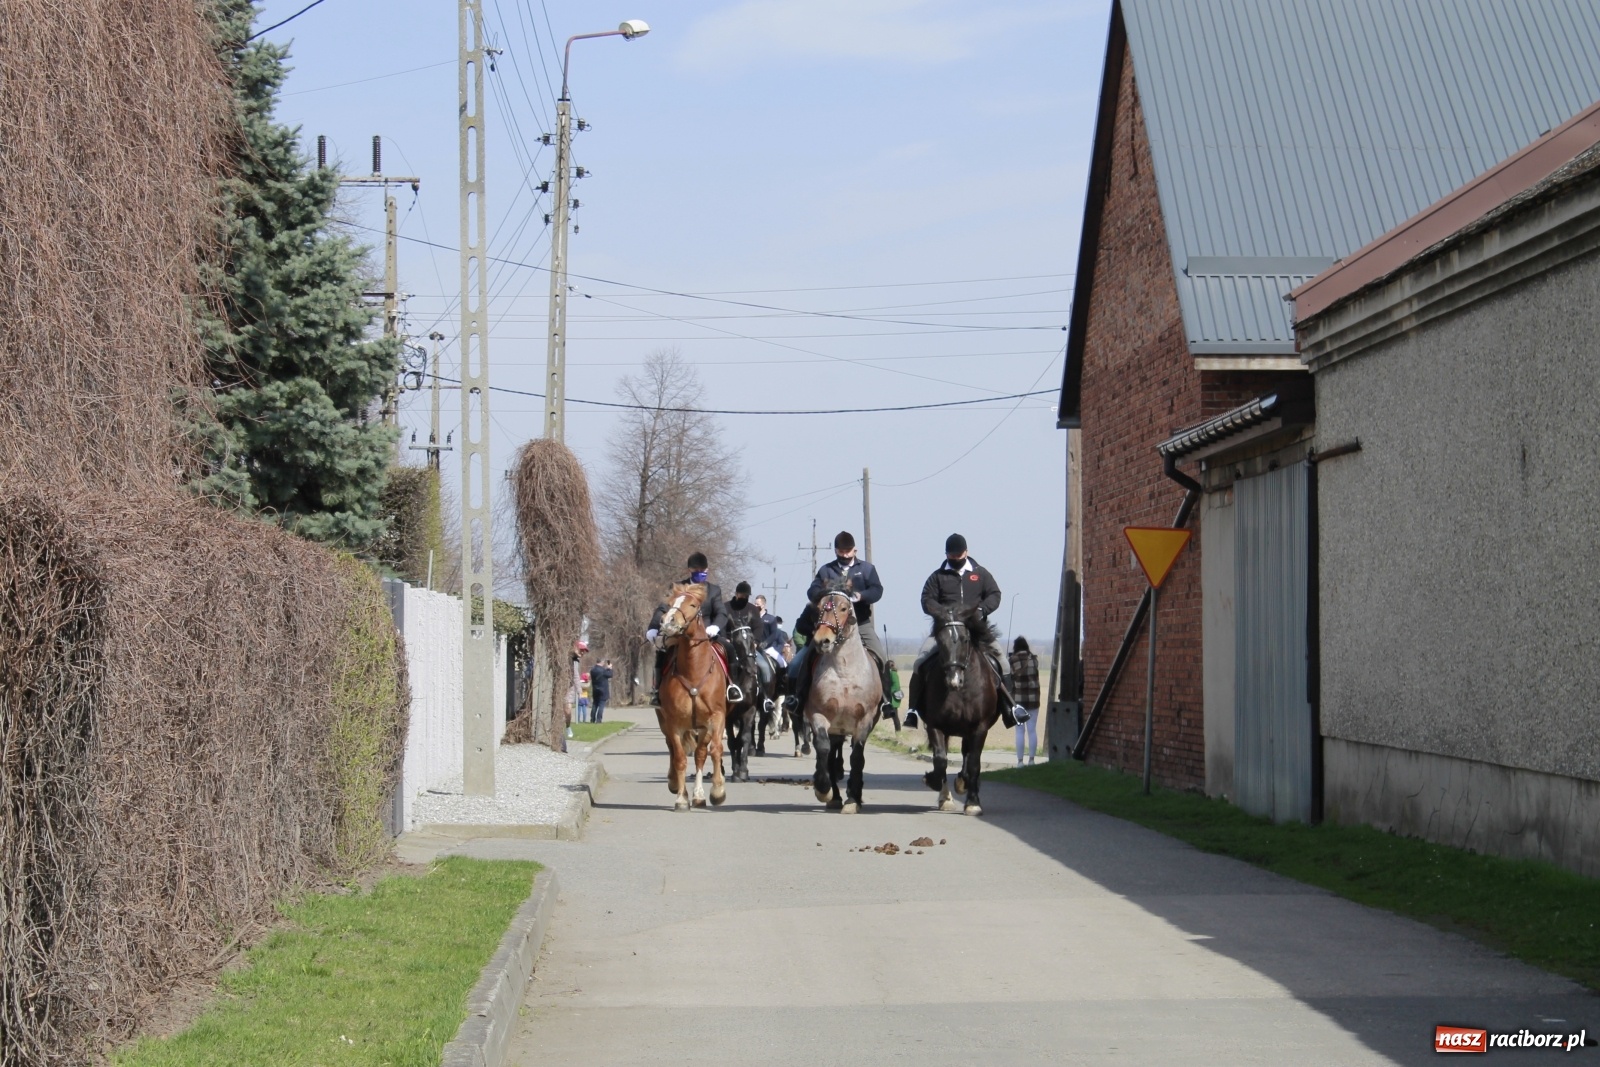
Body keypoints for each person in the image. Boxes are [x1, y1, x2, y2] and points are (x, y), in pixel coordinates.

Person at [910, 533, 1020, 727]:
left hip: (977, 631)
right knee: (919, 663)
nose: (955, 559)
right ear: (946, 554)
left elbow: (995, 594)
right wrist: (941, 613)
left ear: (966, 552)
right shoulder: (937, 577)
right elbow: (926, 599)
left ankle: (1010, 709)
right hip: (945, 630)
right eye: (951, 556)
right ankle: (912, 711)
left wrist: (981, 610)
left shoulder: (981, 573)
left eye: (959, 555)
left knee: (1003, 663)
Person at [790, 531, 894, 716]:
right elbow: (812, 590)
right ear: (836, 550)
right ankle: (798, 698)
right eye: (841, 551)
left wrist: (861, 596)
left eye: (848, 551)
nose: (845, 555)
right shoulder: (826, 570)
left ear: (855, 550)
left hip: (860, 623)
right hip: (830, 625)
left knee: (881, 656)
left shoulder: (867, 569)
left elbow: (877, 590)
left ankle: (886, 701)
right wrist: (823, 593)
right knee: (804, 659)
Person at [645, 552, 728, 702]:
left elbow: (721, 612)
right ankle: (657, 690)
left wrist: (715, 627)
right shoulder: (678, 588)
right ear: (689, 571)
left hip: (707, 635)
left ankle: (731, 687)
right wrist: (653, 627)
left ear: (707, 570)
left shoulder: (714, 590)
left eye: (702, 571)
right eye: (696, 571)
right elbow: (663, 609)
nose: (699, 574)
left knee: (730, 649)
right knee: (662, 652)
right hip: (681, 635)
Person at [1009, 636, 1040, 765]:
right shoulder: (1034, 660)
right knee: (1032, 730)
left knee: (1019, 731)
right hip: (1033, 700)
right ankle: (1032, 760)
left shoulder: (1012, 660)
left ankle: (1020, 762)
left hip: (1019, 701)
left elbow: (1010, 678)